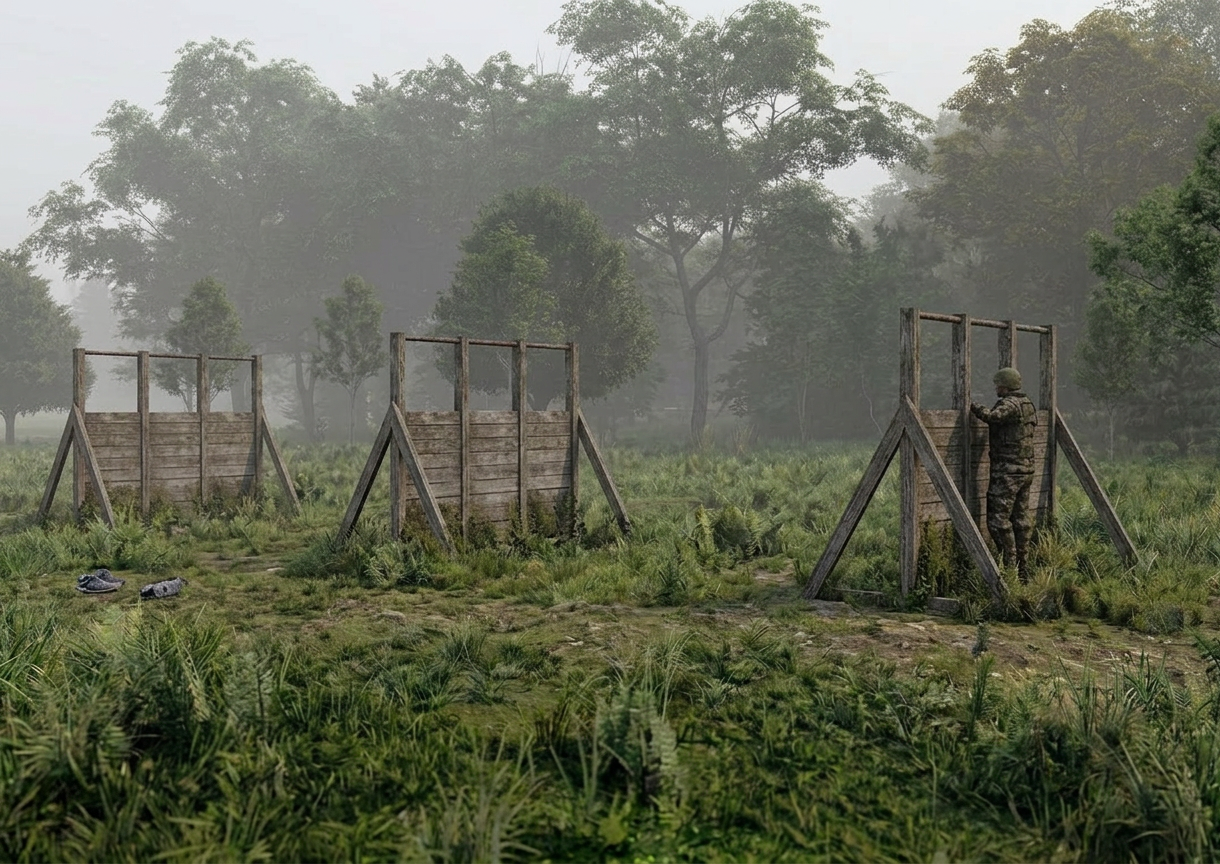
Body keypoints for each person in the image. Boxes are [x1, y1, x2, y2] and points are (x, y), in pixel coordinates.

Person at [971, 367, 1037, 578]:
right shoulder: (1027, 403)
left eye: (998, 384)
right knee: (1021, 519)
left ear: (1005, 385)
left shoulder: (1010, 403)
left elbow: (993, 416)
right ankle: (1023, 568)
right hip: (1025, 470)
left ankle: (1010, 568)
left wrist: (974, 407)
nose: (996, 388)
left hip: (1008, 471)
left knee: (998, 521)